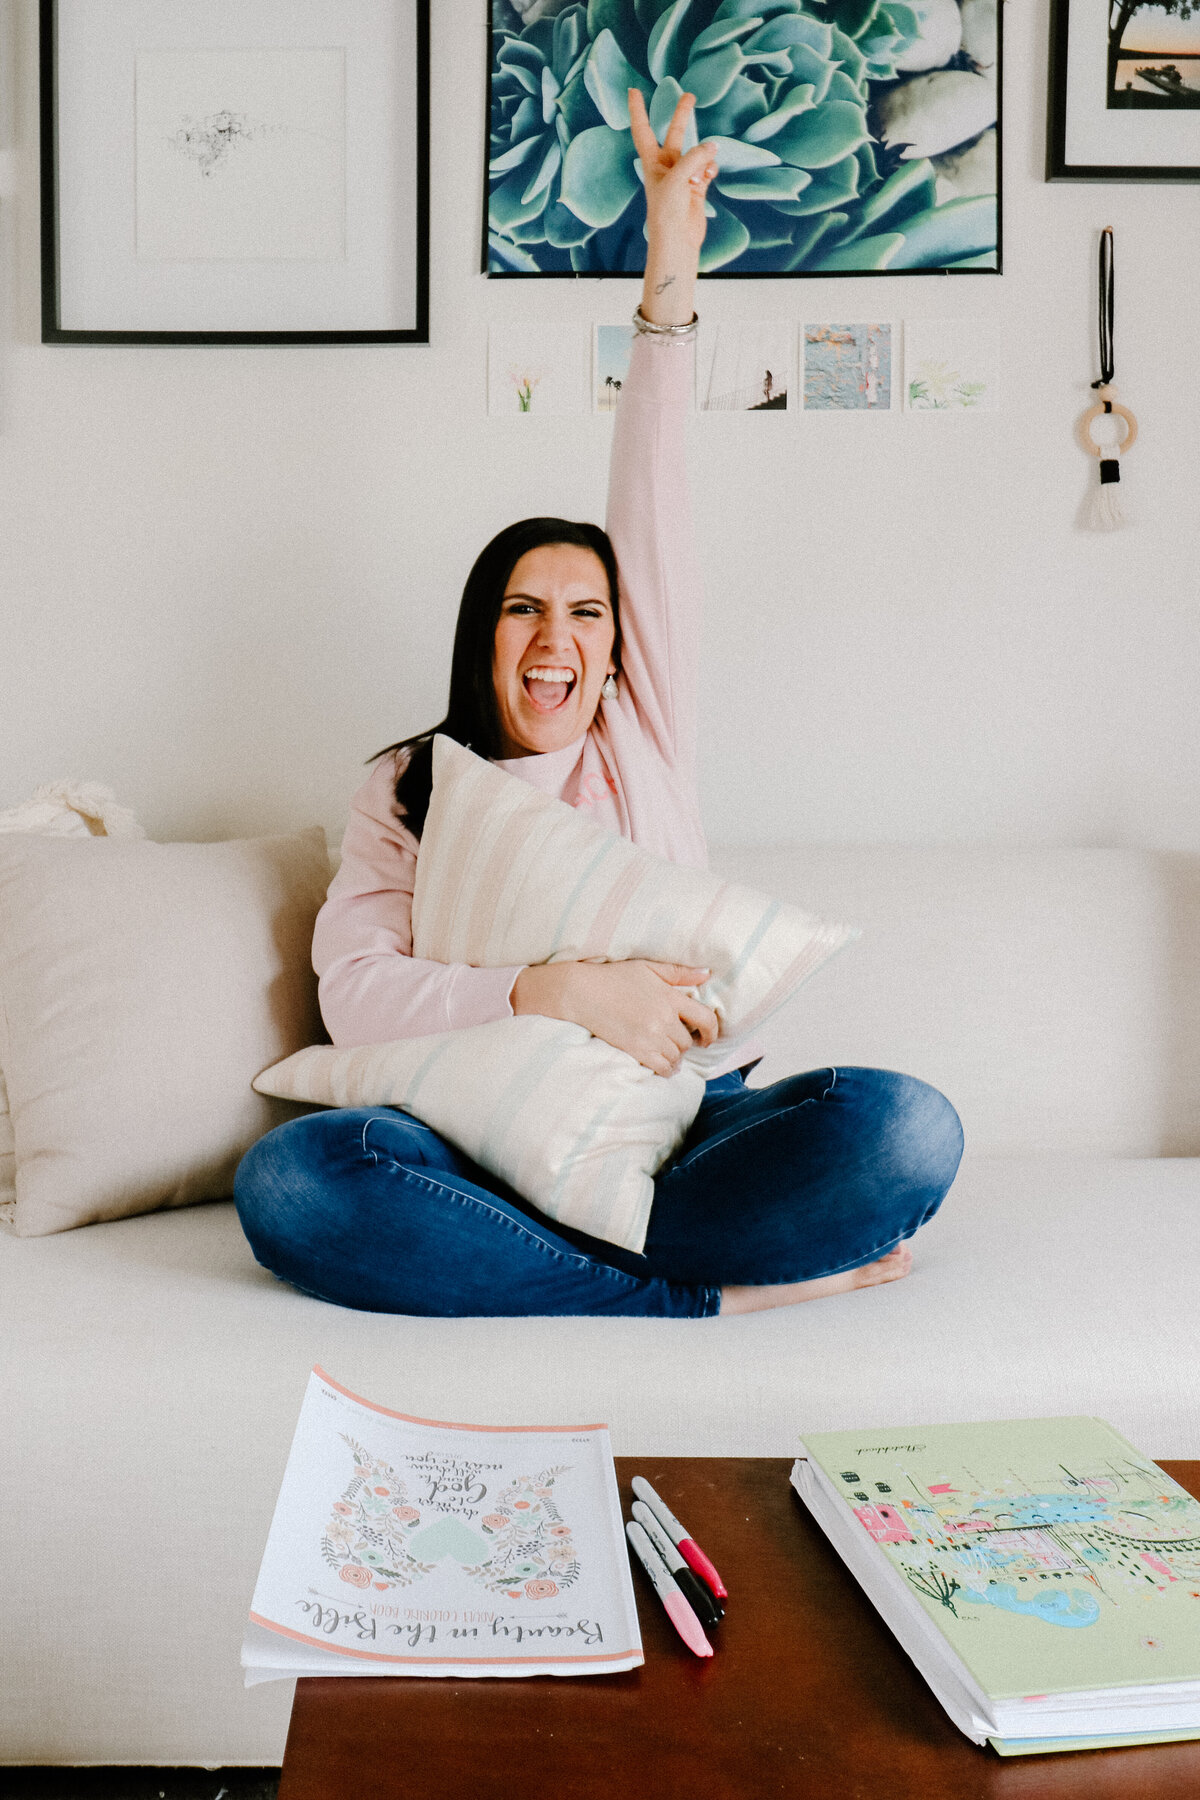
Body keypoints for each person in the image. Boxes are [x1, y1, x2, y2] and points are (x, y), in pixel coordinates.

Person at [234, 92, 963, 1319]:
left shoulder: (640, 734)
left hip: (679, 1126)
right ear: (484, 634)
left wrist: (668, 259)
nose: (555, 637)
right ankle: (697, 1294)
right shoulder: (410, 782)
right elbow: (355, 994)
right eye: (524, 608)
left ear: (620, 655)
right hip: (475, 1137)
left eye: (586, 613)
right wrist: (556, 989)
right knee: (300, 1179)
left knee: (904, 1130)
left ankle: (571, 1269)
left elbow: (653, 495)